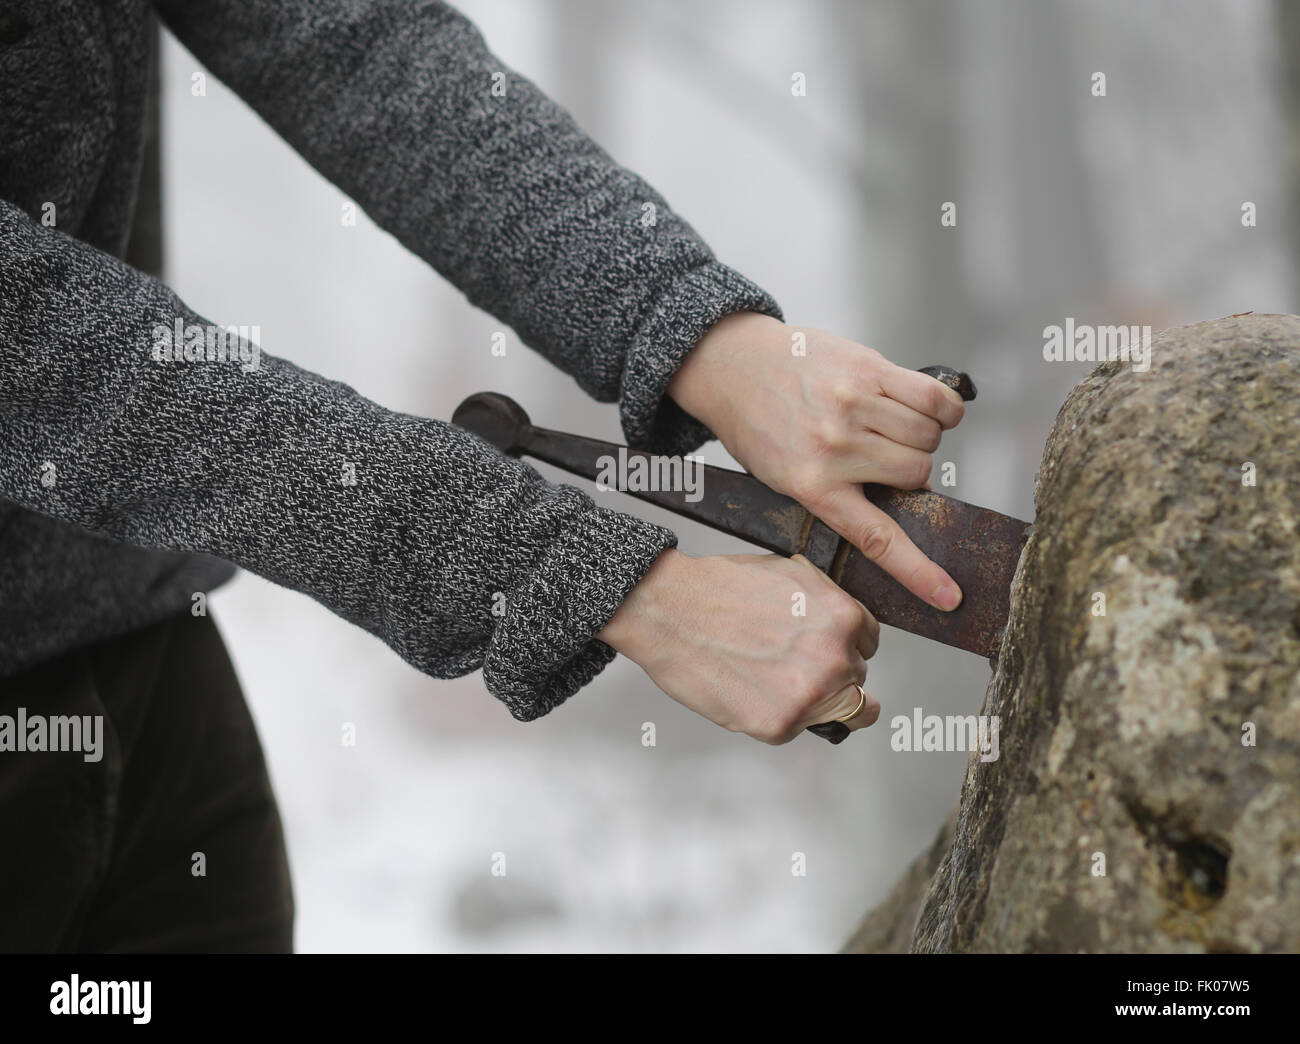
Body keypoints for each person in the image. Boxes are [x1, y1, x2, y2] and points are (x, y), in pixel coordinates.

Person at [0, 0, 964, 952]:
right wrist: (577, 574)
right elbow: (29, 346)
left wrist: (693, 332)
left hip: (143, 644)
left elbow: (346, 41)